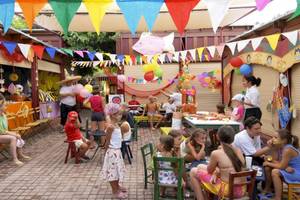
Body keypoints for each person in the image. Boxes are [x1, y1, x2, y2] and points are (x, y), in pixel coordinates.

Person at [190, 126, 246, 199]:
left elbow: (209, 171)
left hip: (227, 190)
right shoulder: (239, 151)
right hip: (241, 189)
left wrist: (215, 172)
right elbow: (229, 168)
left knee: (193, 171)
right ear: (233, 138)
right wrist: (216, 172)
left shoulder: (216, 153)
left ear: (217, 137)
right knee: (200, 166)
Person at [263, 129, 300, 200]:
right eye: (273, 137)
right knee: (268, 167)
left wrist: (268, 162)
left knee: (275, 172)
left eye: (276, 138)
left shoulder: (287, 149)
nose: (272, 139)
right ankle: (268, 189)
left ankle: (278, 197)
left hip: (297, 173)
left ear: (284, 140)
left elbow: (281, 166)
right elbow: (277, 161)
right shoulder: (281, 147)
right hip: (289, 169)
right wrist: (271, 151)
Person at [100, 103, 127, 199]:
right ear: (113, 115)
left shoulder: (116, 124)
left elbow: (107, 115)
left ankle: (118, 186)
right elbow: (107, 141)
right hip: (112, 152)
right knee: (112, 173)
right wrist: (107, 153)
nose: (121, 116)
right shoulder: (111, 127)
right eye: (119, 114)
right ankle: (114, 191)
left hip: (117, 151)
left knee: (117, 171)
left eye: (120, 114)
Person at [0, 95, 31, 166]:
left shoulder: (4, 116)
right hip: (1, 134)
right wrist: (13, 134)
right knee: (13, 138)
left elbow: (5, 130)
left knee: (17, 135)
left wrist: (15, 134)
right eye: (4, 106)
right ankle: (15, 159)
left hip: (3, 134)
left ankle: (20, 154)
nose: (6, 107)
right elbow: (2, 131)